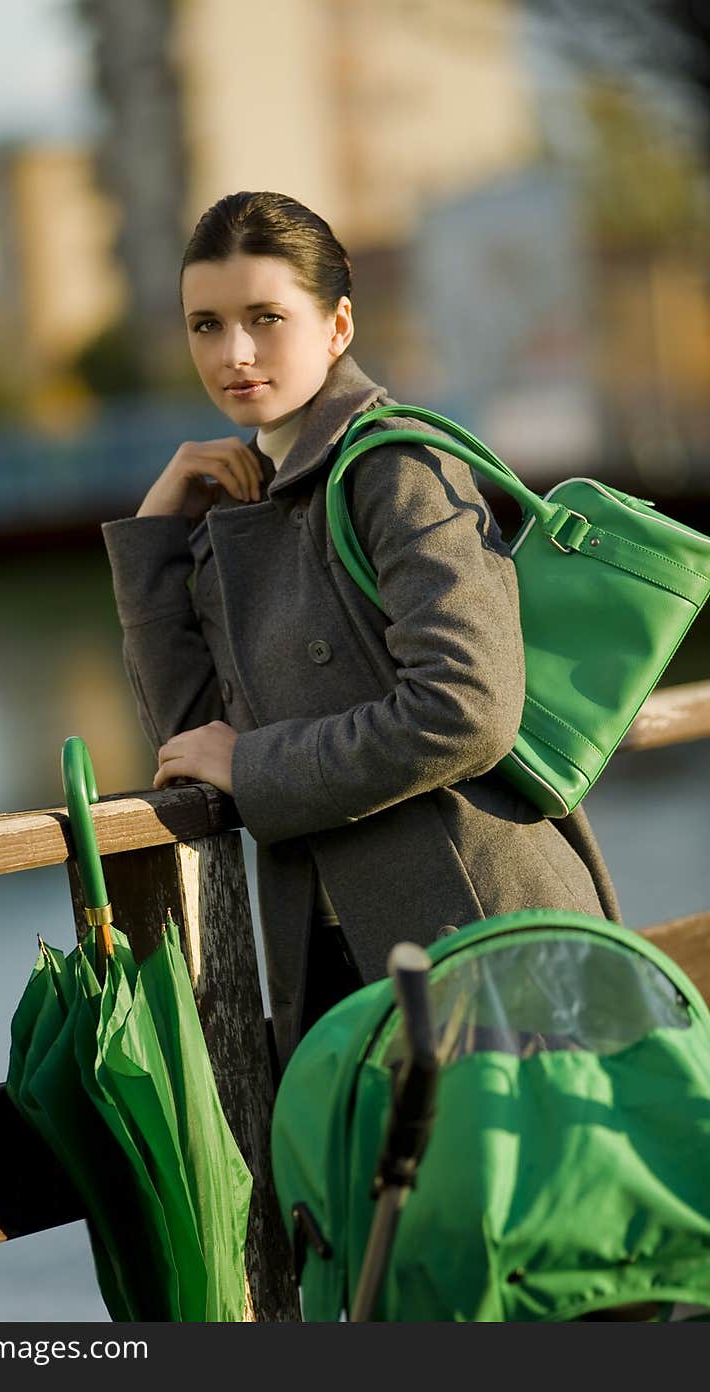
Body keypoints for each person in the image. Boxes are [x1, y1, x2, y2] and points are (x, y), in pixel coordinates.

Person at [101, 190, 621, 1070]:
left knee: (526, 1204)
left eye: (266, 318)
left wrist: (256, 764)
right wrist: (156, 535)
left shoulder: (397, 466)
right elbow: (190, 739)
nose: (233, 354)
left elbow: (467, 708)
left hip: (478, 932)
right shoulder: (243, 505)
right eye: (205, 325)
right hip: (332, 957)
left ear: (338, 325)